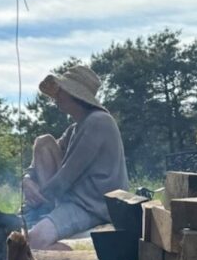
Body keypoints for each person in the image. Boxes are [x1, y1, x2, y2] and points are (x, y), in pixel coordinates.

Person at [22, 64, 129, 250]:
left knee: (34, 241)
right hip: (73, 201)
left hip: (94, 206)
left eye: (61, 90)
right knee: (44, 141)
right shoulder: (75, 128)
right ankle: (45, 211)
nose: (56, 96)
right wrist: (27, 179)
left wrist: (37, 199)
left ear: (75, 94)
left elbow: (67, 176)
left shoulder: (99, 122)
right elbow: (46, 151)